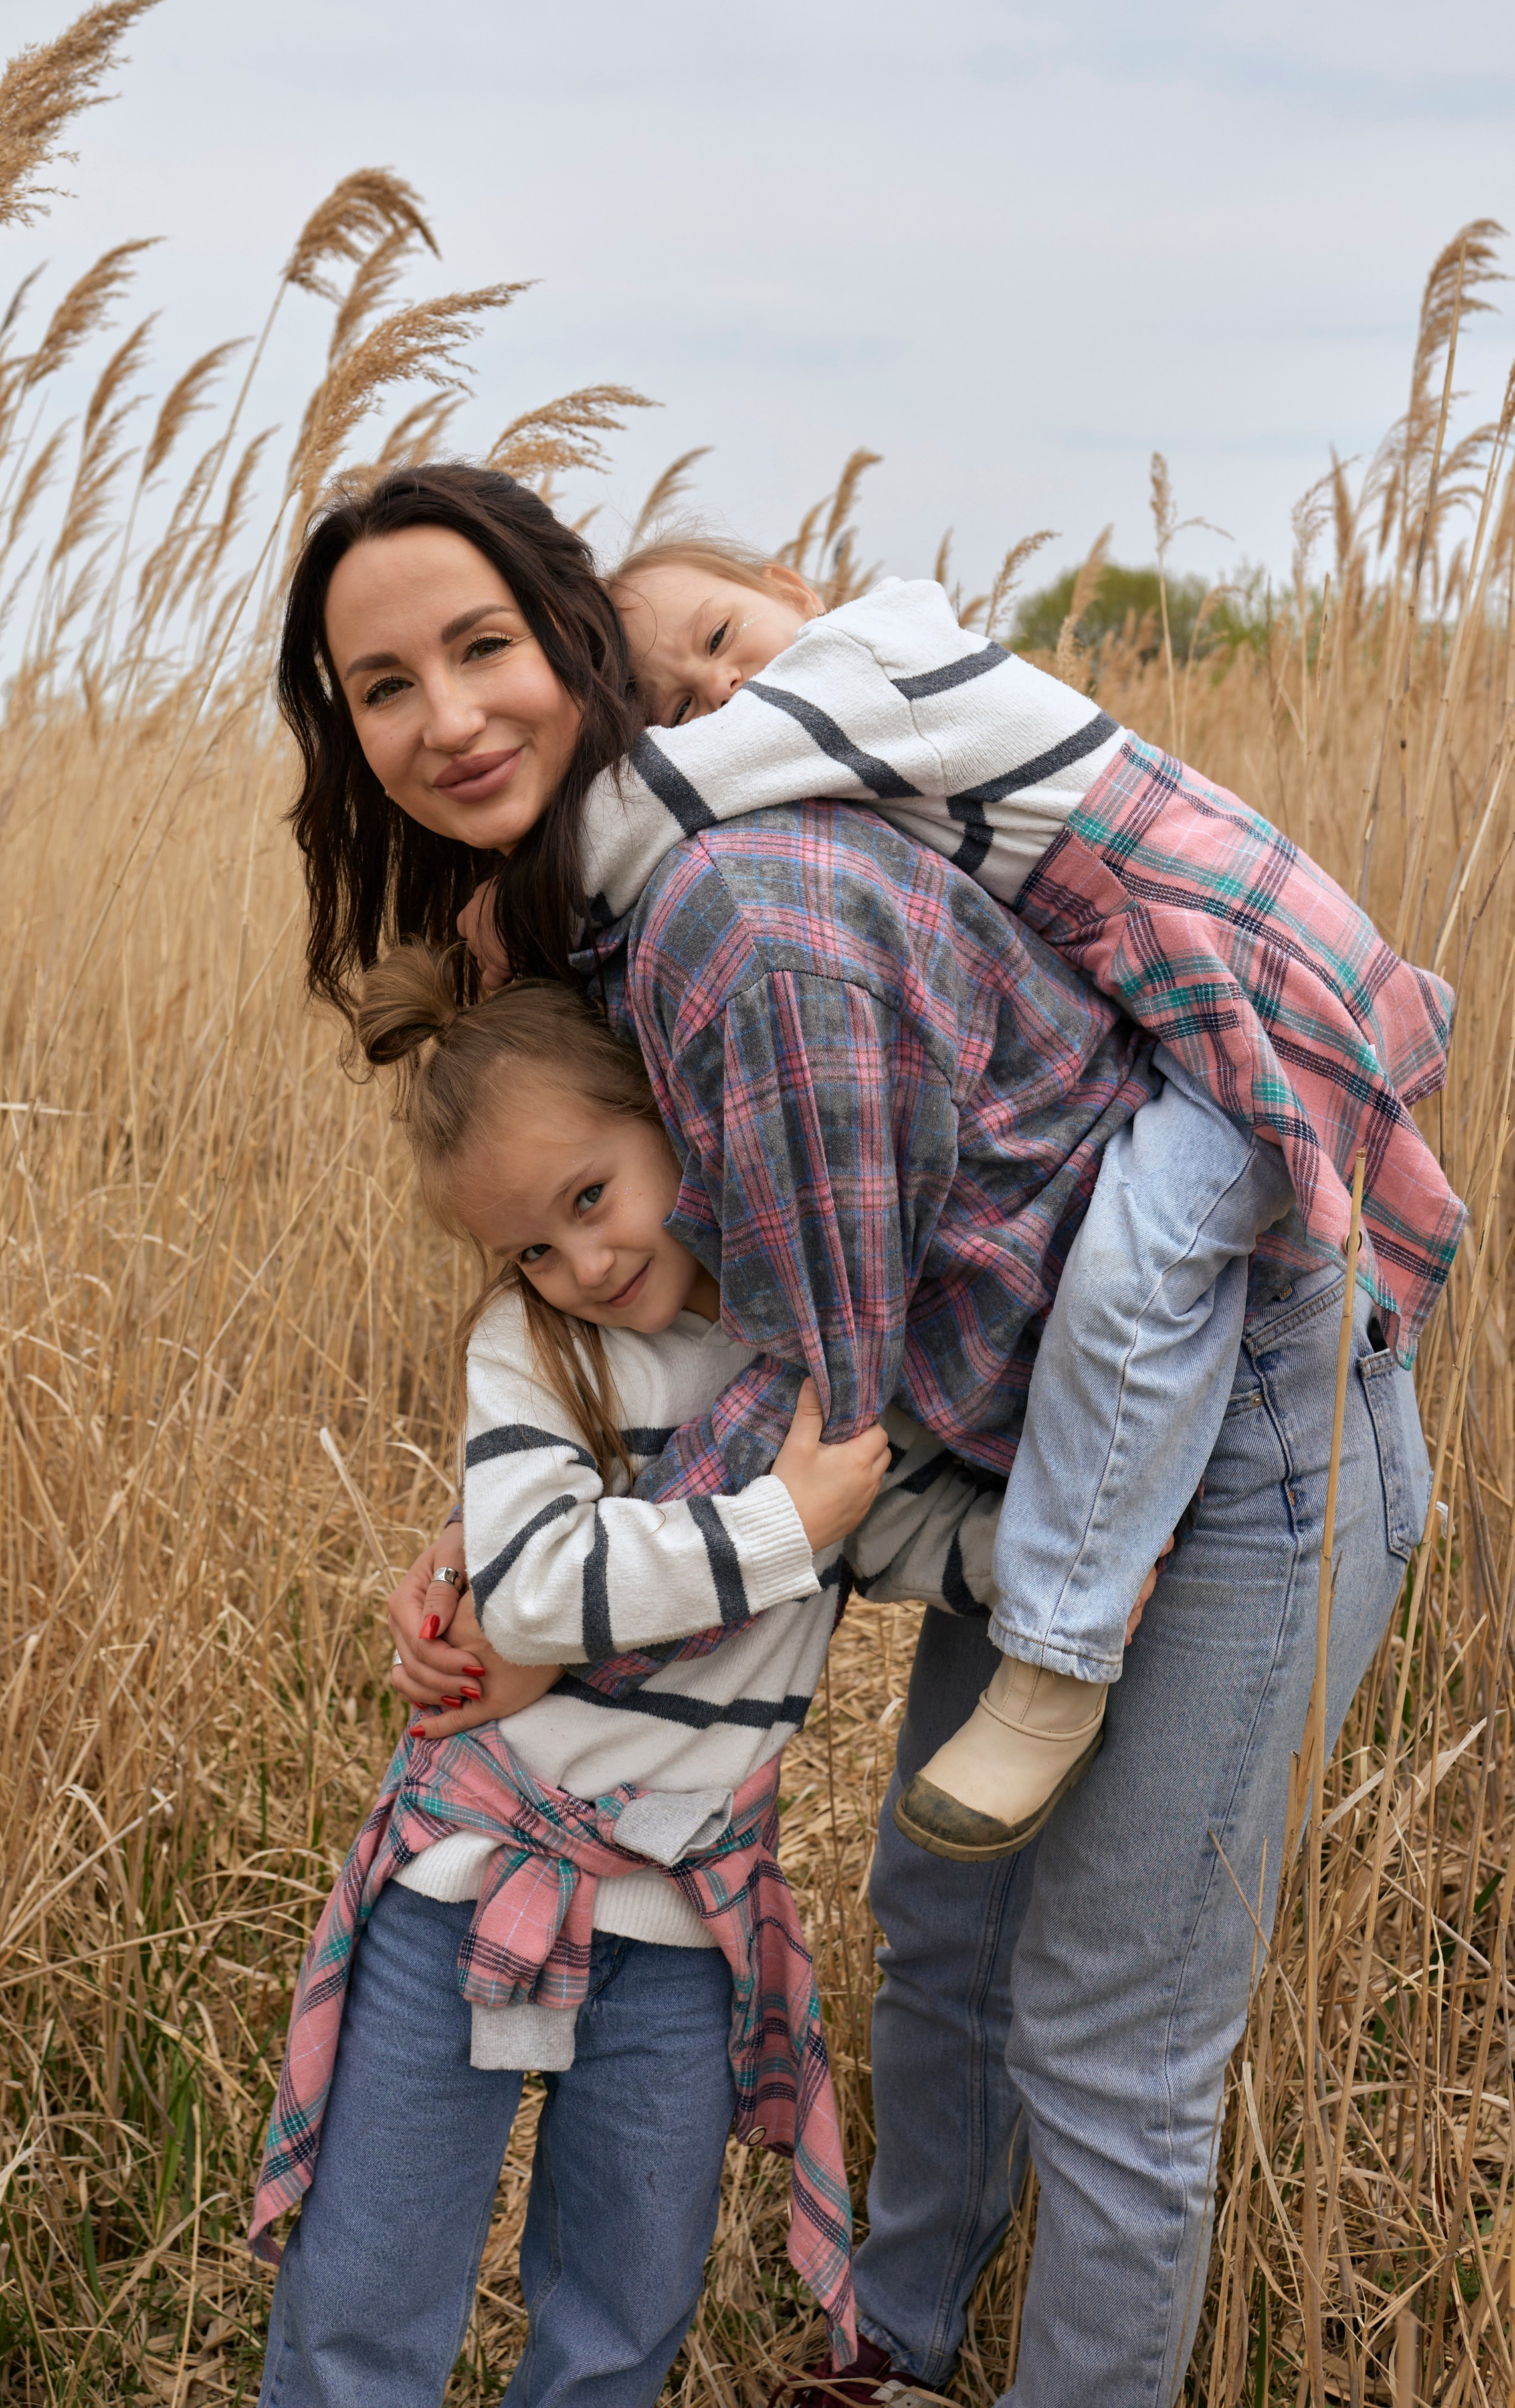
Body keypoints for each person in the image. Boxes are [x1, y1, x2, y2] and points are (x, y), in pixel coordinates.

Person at [277, 462, 1437, 2408]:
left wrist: (547, 1607)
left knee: (1104, 2035)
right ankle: (892, 2358)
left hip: (1239, 1440)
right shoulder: (617, 917)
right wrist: (508, 1546)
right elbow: (680, 1325)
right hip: (1036, 1458)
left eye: (485, 648)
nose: (446, 717)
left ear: (578, 647)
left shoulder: (741, 912)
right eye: (383, 685)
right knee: (947, 1940)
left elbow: (823, 1406)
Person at [512, 534, 1460, 1858]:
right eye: (670, 701)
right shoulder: (841, 752)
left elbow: (659, 808)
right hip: (1168, 1000)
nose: (715, 702)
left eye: (721, 639)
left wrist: (531, 890)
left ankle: (1059, 1657)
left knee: (1144, 1263)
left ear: (798, 590)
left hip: (1231, 975)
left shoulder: (876, 663)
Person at [251, 944, 1003, 2407]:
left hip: (683, 1918)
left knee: (624, 2308)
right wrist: (787, 1521)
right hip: (469, 1871)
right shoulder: (534, 1354)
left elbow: (900, 1529)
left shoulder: (806, 1354)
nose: (581, 1264)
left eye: (591, 1198)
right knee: (365, 2292)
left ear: (679, 1120)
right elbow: (533, 1584)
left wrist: (1059, 1576)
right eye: (533, 1243)